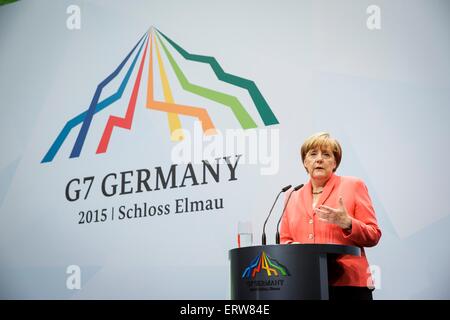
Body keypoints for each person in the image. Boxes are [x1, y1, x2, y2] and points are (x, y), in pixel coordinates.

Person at [280, 132, 382, 300]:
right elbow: (285, 239)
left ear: (334, 163)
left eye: (326, 154)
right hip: (306, 283)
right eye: (313, 154)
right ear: (305, 162)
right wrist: (293, 247)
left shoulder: (353, 185)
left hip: (348, 286)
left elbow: (374, 235)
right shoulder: (292, 195)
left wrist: (348, 223)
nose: (319, 159)